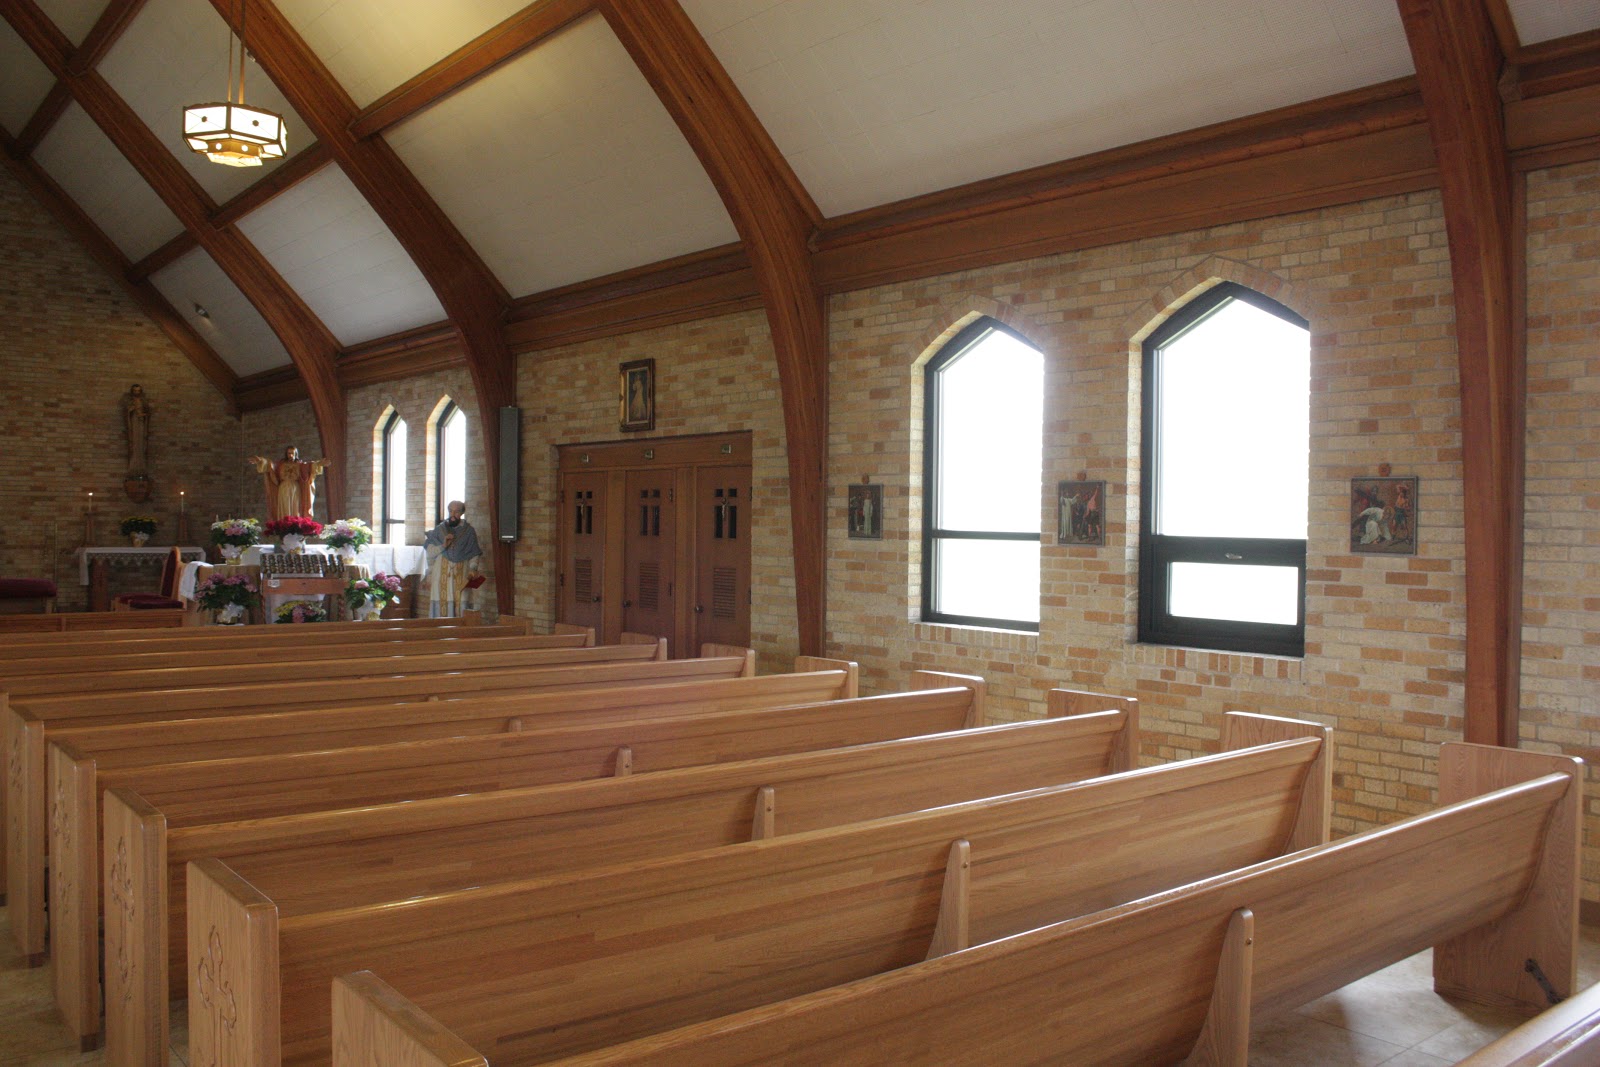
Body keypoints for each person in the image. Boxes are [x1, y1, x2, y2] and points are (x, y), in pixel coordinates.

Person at [424, 500, 483, 617]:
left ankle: (461, 632)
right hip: (441, 573)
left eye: (456, 512)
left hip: (462, 573)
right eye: (450, 511)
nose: (452, 514)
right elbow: (430, 553)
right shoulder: (439, 530)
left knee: (461, 602)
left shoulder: (469, 531)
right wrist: (443, 546)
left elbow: (474, 552)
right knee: (441, 602)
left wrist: (473, 568)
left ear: (461, 513)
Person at [248, 445, 331, 520]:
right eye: (289, 453)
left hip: (295, 487)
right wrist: (260, 461)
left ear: (296, 454)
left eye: (293, 453)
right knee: (284, 507)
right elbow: (270, 465)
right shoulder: (281, 465)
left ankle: (295, 524)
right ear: (286, 454)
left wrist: (319, 464)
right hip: (283, 487)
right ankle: (284, 524)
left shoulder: (300, 465)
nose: (291, 455)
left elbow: (310, 466)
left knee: (296, 507)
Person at [124, 384, 150, 477]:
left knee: (141, 443)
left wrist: (143, 415)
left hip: (141, 423)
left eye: (138, 391)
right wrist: (130, 411)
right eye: (135, 391)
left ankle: (141, 466)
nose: (137, 393)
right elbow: (126, 413)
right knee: (135, 443)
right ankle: (134, 465)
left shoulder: (143, 401)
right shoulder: (130, 401)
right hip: (134, 423)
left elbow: (147, 412)